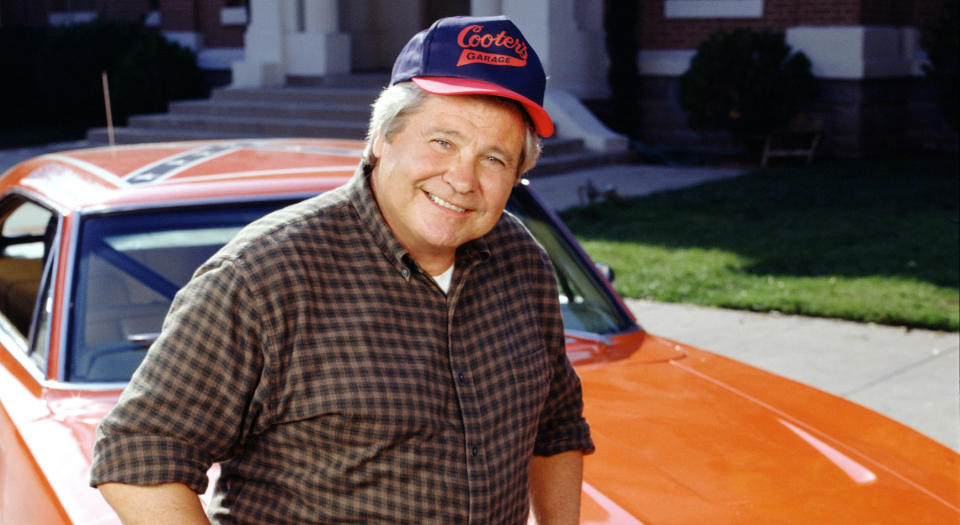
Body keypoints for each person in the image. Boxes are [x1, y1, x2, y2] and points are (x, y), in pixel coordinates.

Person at [90, 15, 593, 524]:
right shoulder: (265, 274)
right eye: (442, 142)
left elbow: (556, 426)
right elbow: (138, 454)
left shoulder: (522, 261)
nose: (463, 179)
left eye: (494, 159)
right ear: (383, 138)